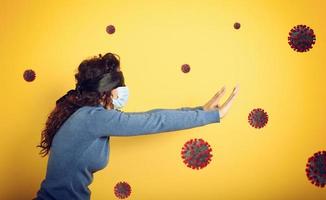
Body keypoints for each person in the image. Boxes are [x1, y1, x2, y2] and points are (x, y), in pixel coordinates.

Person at [34, 52, 239, 200]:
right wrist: (215, 116)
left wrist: (201, 110)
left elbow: (151, 116)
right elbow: (155, 122)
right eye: (120, 85)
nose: (124, 90)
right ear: (108, 89)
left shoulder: (88, 116)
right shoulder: (93, 118)